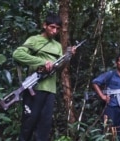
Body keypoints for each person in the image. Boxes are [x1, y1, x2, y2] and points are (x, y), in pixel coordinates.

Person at [13, 13, 75, 141]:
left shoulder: (57, 46)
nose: (54, 31)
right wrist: (42, 62)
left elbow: (59, 69)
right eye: (52, 27)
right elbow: (17, 54)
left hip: (50, 90)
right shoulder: (34, 40)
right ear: (44, 25)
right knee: (28, 124)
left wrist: (68, 57)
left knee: (44, 127)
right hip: (34, 88)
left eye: (57, 28)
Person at [92, 52, 120, 141]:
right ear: (117, 63)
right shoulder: (110, 75)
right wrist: (102, 96)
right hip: (111, 107)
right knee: (108, 131)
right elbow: (95, 82)